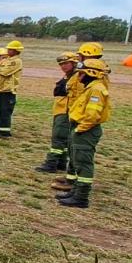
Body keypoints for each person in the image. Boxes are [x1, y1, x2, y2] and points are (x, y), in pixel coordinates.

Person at [56, 59, 111, 209]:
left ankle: (81, 197)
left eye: (81, 73)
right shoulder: (91, 87)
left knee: (83, 164)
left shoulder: (96, 90)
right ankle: (75, 192)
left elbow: (92, 115)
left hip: (86, 130)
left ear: (90, 73)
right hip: (81, 128)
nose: (79, 76)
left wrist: (80, 129)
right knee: (77, 161)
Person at [36, 52, 80, 174]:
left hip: (66, 111)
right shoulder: (68, 76)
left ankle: (51, 163)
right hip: (61, 109)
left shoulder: (77, 77)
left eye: (66, 63)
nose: (63, 66)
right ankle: (61, 162)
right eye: (61, 64)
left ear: (74, 63)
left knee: (58, 138)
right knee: (64, 139)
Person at [0, 40, 24, 136]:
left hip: (8, 91)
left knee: (5, 111)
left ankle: (5, 132)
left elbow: (6, 72)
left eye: (10, 49)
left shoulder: (17, 61)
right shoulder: (6, 60)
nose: (8, 51)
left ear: (16, 51)